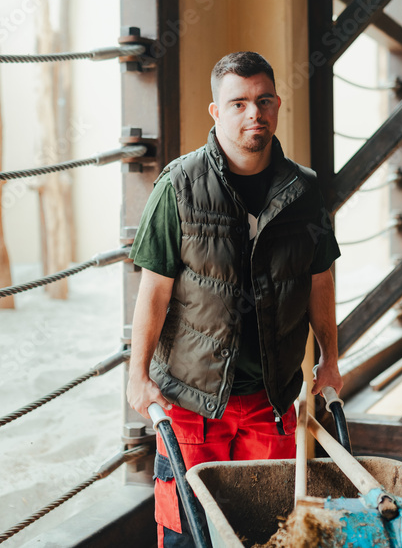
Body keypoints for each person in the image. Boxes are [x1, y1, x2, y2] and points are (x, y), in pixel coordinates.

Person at [126, 51, 342, 548]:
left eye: (263, 100)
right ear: (216, 111)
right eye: (238, 103)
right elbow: (154, 291)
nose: (253, 113)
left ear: (277, 105)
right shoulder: (178, 186)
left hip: (270, 400)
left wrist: (330, 359)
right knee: (189, 532)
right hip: (189, 403)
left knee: (268, 530)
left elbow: (320, 282)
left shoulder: (304, 191)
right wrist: (137, 375)